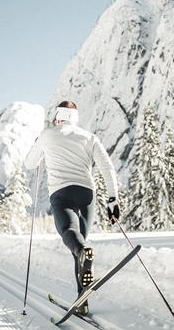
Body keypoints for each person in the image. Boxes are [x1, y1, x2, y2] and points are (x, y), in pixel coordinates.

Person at [24, 100, 120, 315]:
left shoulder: (48, 134)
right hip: (87, 194)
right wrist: (113, 199)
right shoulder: (89, 137)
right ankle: (82, 300)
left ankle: (82, 279)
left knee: (71, 235)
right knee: (81, 246)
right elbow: (106, 166)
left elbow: (30, 163)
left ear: (58, 116)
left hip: (62, 193)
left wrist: (38, 142)